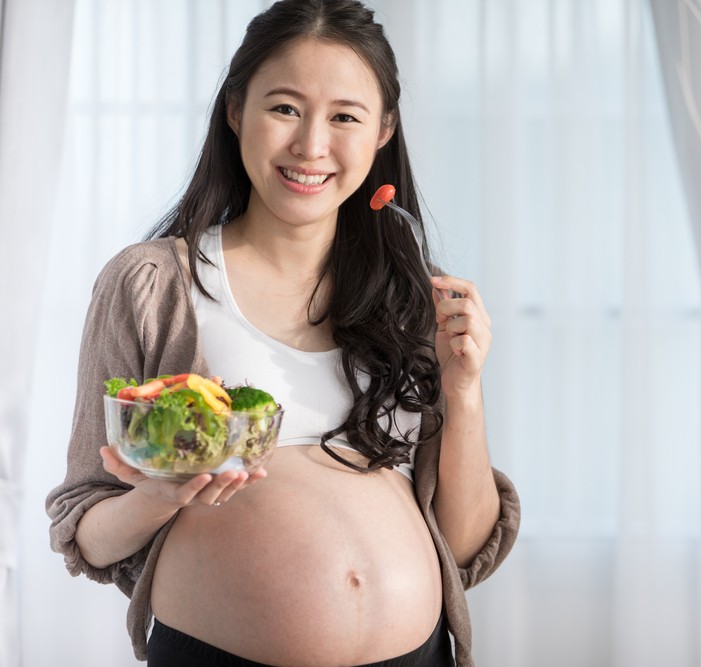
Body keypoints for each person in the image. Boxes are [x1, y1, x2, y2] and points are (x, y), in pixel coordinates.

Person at [45, 1, 520, 665]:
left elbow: (465, 546)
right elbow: (86, 529)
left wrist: (464, 387)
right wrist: (157, 495)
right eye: (285, 108)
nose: (311, 145)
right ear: (236, 110)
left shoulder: (414, 293)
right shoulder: (152, 283)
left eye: (345, 117)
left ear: (383, 131)